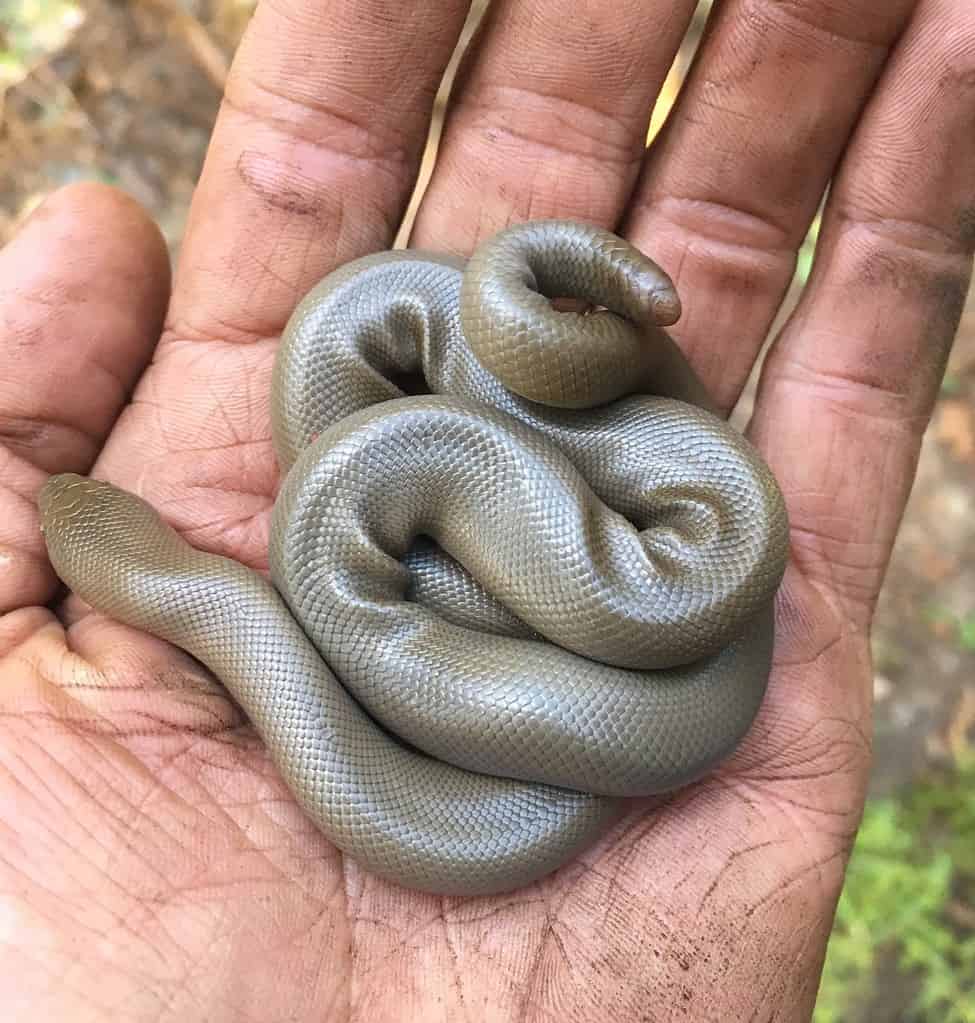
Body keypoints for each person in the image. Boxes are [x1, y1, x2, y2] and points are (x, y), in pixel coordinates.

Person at [0, 0, 972, 1018]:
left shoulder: (327, 517)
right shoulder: (326, 526)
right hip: (583, 613)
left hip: (516, 528)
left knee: (417, 501)